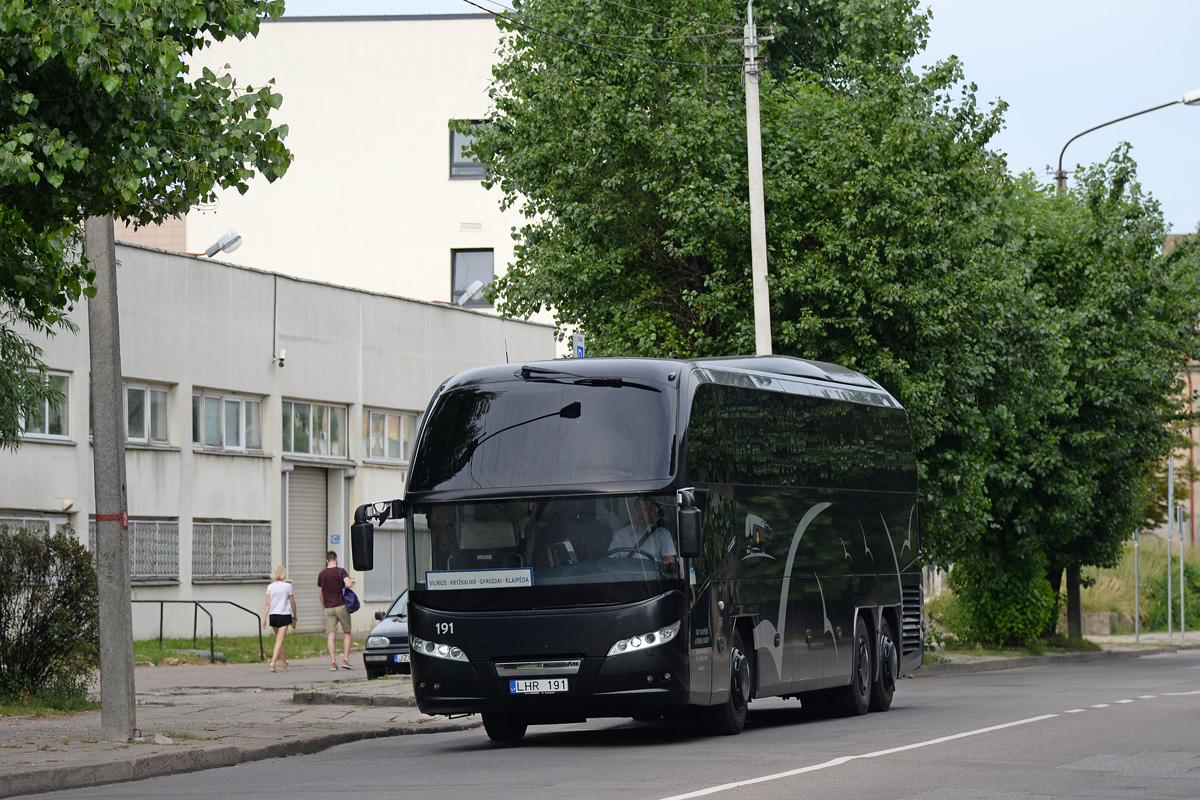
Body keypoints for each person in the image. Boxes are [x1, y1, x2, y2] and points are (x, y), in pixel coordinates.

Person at [608, 497, 677, 567]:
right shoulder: (620, 535)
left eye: (644, 510)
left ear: (650, 513)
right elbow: (610, 562)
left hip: (655, 576)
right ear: (633, 511)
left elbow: (669, 563)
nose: (640, 513)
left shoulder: (663, 534)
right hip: (626, 576)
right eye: (638, 509)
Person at [317, 550, 355, 671]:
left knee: (331, 635)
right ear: (336, 559)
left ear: (326, 561)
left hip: (328, 608)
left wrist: (324, 605)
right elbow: (348, 584)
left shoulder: (322, 574)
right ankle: (345, 660)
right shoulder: (341, 571)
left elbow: (320, 594)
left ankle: (333, 662)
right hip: (341, 606)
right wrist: (347, 583)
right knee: (347, 633)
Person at [263, 565, 297, 672]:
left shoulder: (270, 587)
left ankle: (284, 662)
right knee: (279, 640)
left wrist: (264, 618)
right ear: (283, 574)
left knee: (279, 640)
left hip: (273, 615)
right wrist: (295, 614)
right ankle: (273, 663)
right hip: (284, 614)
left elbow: (268, 603)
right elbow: (292, 601)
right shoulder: (288, 586)